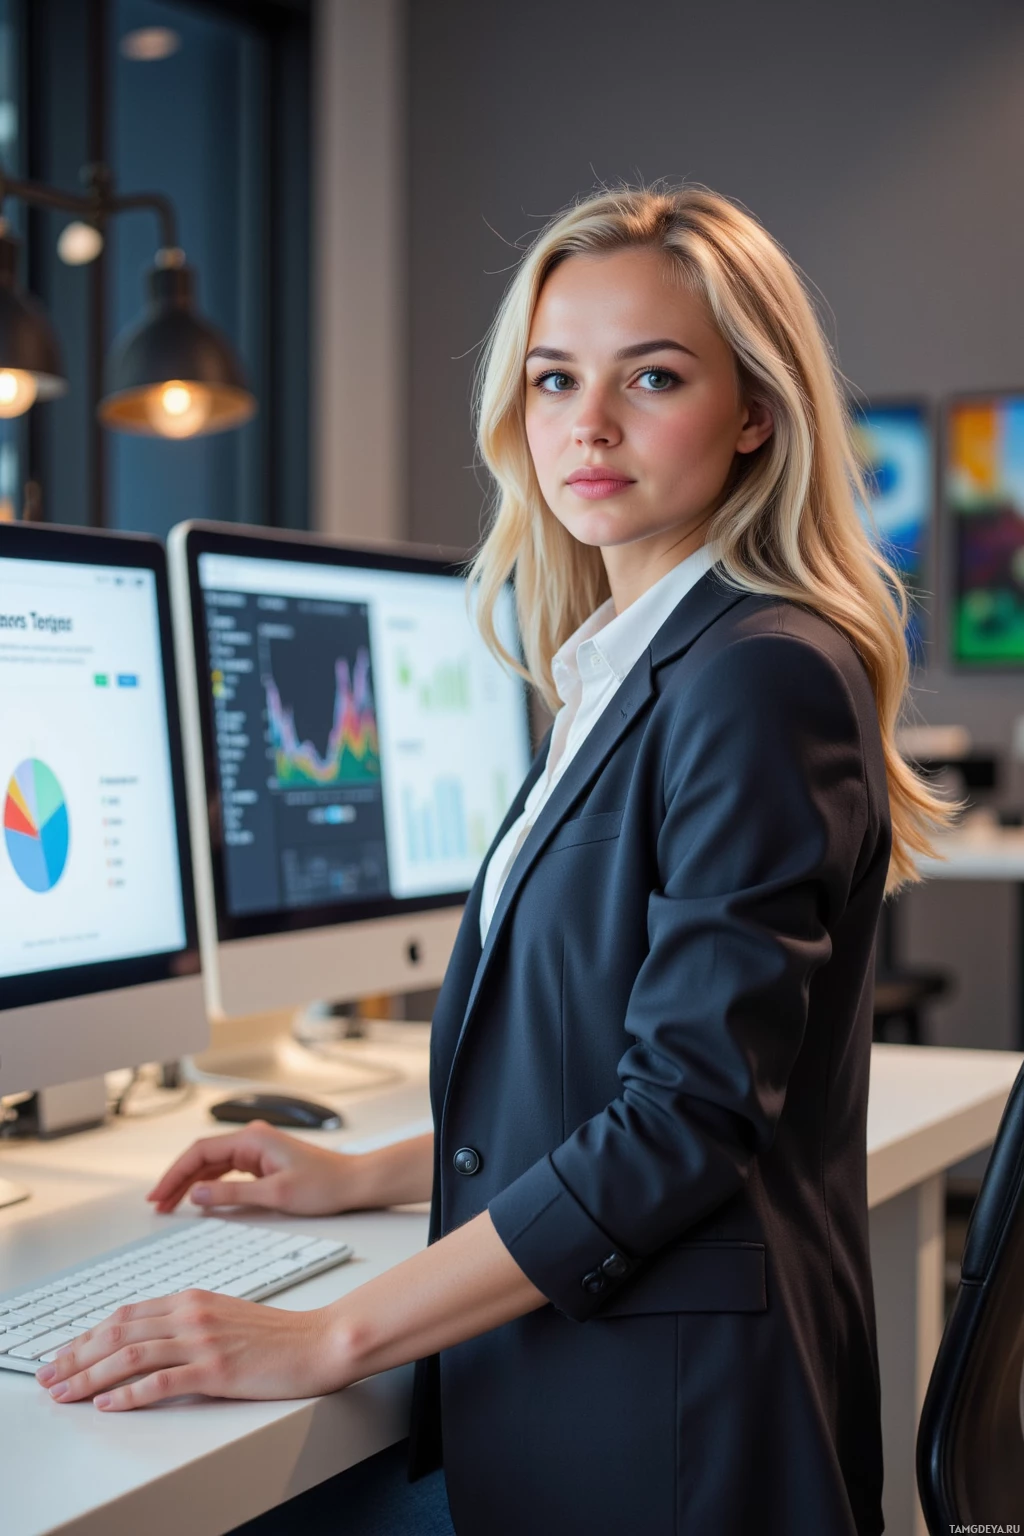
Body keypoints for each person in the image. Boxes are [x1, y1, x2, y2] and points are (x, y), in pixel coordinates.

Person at [36, 184, 958, 1535]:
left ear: (755, 411)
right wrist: (363, 1177)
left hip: (670, 1440)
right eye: (552, 378)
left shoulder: (756, 677)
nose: (587, 425)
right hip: (606, 1396)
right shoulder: (634, 659)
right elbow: (599, 1077)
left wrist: (327, 1337)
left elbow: (680, 1123)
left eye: (652, 376)